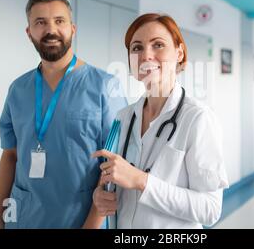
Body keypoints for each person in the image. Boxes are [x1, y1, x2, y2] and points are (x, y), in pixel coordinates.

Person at [0, 0, 127, 228]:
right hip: (24, 218)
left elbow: (115, 165)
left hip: (80, 219)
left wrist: (92, 225)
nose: (50, 30)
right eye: (40, 22)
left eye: (59, 21)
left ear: (72, 29)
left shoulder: (105, 87)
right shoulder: (18, 90)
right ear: (29, 32)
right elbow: (10, 156)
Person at [87, 13, 228, 228]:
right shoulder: (123, 118)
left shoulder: (198, 119)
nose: (146, 56)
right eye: (137, 48)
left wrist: (141, 181)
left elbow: (210, 209)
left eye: (158, 45)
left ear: (179, 53)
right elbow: (116, 183)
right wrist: (101, 196)